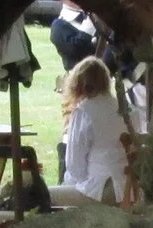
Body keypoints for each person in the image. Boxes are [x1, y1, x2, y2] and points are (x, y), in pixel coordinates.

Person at [54, 55, 131, 204]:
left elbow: (75, 167)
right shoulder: (124, 107)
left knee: (46, 197)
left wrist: (68, 182)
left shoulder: (84, 112)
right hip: (129, 188)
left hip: (100, 189)